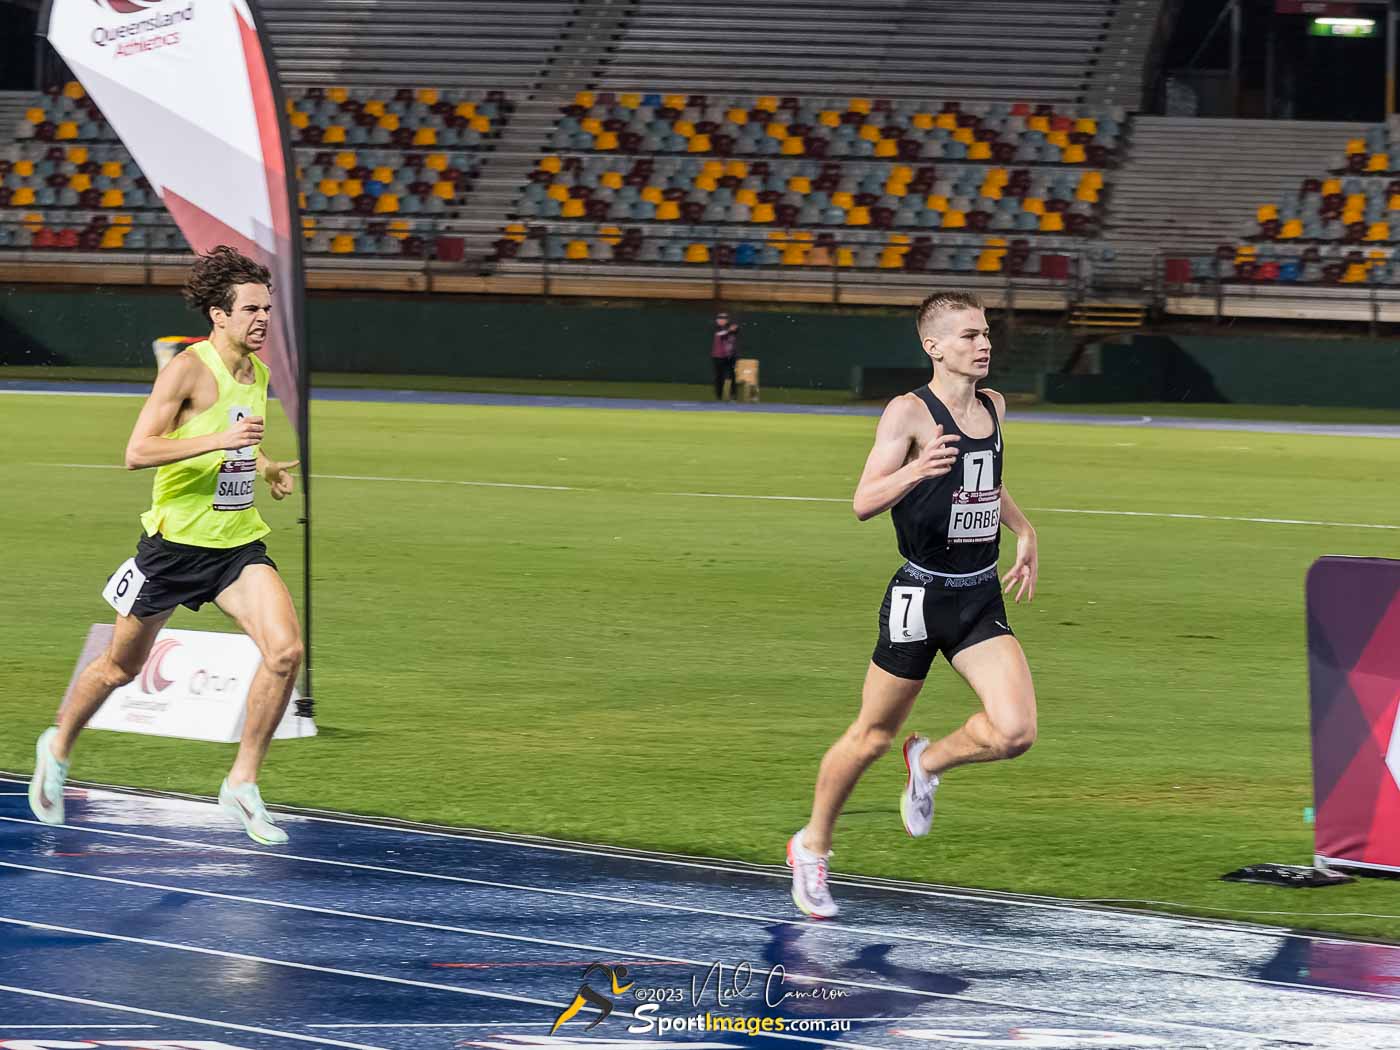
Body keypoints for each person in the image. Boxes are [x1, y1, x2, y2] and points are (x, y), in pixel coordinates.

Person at [28, 246, 304, 846]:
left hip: (235, 546)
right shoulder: (186, 369)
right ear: (219, 315)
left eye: (267, 308)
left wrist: (262, 465)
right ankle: (58, 745)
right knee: (120, 668)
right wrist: (219, 441)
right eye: (251, 309)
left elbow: (236, 434)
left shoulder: (256, 373)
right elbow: (137, 452)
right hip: (173, 550)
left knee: (285, 652)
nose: (263, 319)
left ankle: (242, 782)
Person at [787, 290, 1040, 918]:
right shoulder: (908, 412)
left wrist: (1024, 529)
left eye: (986, 333)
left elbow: (985, 479)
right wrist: (916, 470)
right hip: (919, 597)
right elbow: (863, 502)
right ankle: (811, 847)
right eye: (969, 335)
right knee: (872, 735)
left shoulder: (994, 405)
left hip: (978, 594)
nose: (983, 344)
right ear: (934, 346)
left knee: (1015, 733)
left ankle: (929, 762)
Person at [710, 311, 737, 400]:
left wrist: (733, 328)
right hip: (718, 357)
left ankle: (733, 395)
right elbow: (720, 334)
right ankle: (719, 396)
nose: (721, 320)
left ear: (727, 320)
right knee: (719, 377)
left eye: (724, 318)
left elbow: (736, 330)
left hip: (730, 356)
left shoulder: (731, 328)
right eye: (720, 318)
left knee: (732, 375)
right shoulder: (716, 328)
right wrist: (729, 330)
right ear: (717, 320)